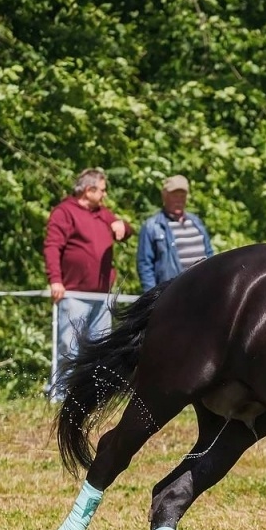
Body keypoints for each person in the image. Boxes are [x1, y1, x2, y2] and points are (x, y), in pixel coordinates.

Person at [43, 168, 130, 400]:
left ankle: (91, 394)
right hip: (73, 294)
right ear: (89, 190)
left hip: (102, 297)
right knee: (69, 347)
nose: (104, 195)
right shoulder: (64, 213)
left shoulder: (103, 213)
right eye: (101, 190)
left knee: (100, 347)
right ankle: (61, 393)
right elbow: (52, 247)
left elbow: (125, 231)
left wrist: (122, 226)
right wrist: (55, 280)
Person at [136, 175, 215, 291]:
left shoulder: (196, 223)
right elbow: (145, 266)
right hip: (172, 294)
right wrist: (151, 299)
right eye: (175, 196)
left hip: (202, 290)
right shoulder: (152, 226)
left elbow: (209, 254)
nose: (179, 200)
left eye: (182, 196)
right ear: (164, 196)